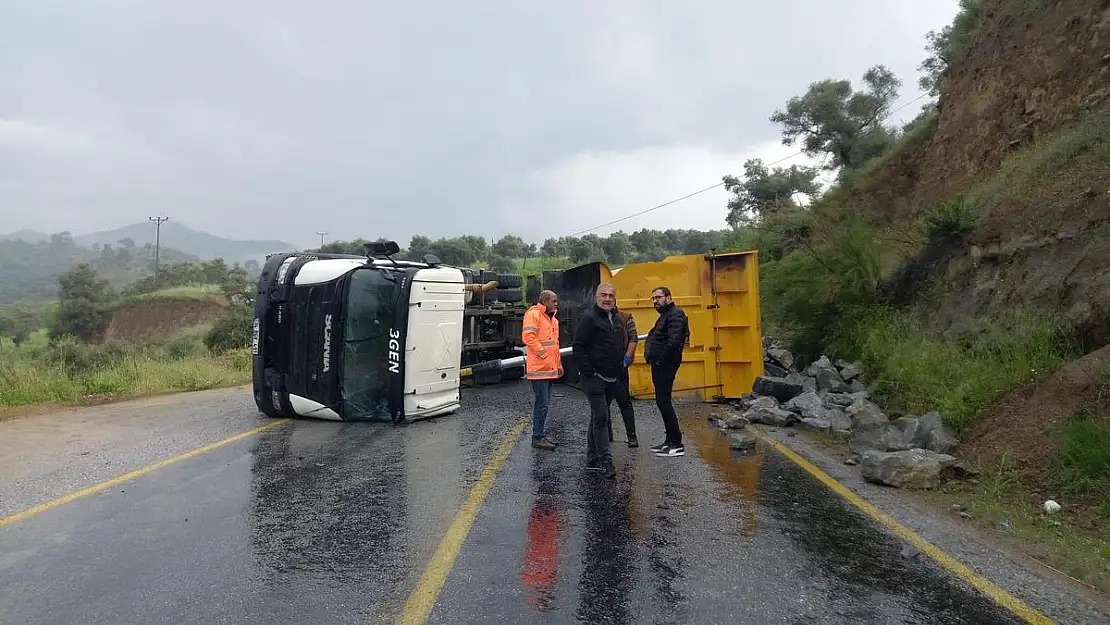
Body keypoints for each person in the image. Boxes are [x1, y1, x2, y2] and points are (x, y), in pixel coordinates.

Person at [572, 283, 625, 478]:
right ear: (596, 297)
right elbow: (578, 346)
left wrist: (620, 372)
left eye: (611, 295)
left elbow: (618, 345)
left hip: (612, 377)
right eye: (603, 295)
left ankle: (592, 458)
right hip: (594, 378)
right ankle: (606, 462)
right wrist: (589, 372)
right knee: (602, 417)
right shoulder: (589, 318)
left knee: (597, 416)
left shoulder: (616, 319)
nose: (607, 298)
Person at [644, 285, 689, 457]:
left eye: (658, 297)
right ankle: (669, 441)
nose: (655, 301)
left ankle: (676, 443)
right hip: (661, 365)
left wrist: (660, 360)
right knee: (662, 401)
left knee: (664, 402)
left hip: (666, 365)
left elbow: (675, 341)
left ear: (668, 297)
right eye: (653, 298)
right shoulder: (666, 315)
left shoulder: (675, 314)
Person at [522, 290, 562, 450]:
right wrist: (543, 353)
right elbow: (528, 337)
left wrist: (558, 365)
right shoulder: (534, 314)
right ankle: (537, 437)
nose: (556, 303)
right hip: (539, 369)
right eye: (554, 301)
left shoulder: (553, 320)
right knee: (542, 404)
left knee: (544, 404)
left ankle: (539, 435)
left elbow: (555, 345)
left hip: (548, 368)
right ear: (545, 301)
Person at [605, 302, 638, 448]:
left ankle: (632, 437)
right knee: (603, 405)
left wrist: (628, 357)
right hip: (603, 368)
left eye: (610, 298)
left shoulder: (625, 317)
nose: (608, 301)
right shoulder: (595, 318)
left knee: (625, 403)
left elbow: (633, 338)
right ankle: (607, 436)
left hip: (620, 368)